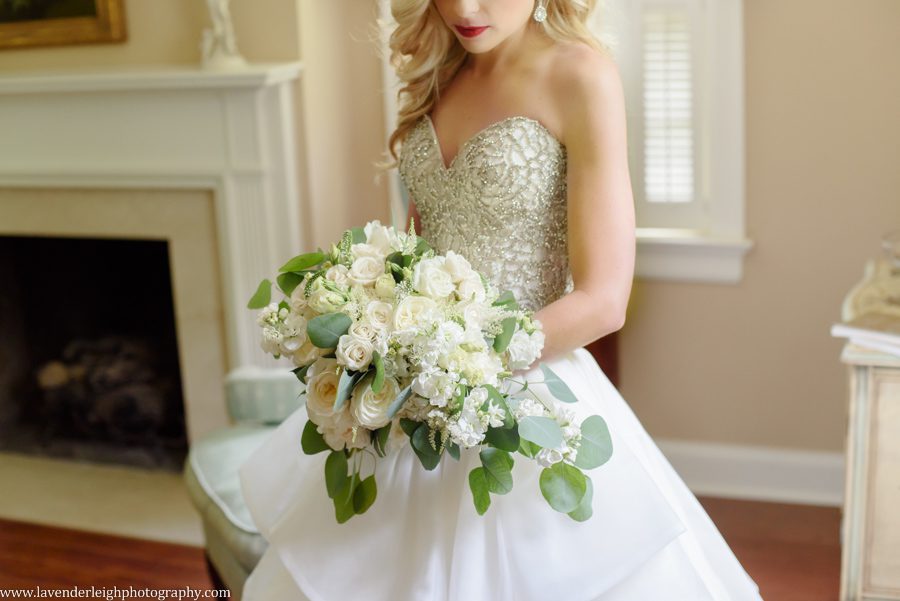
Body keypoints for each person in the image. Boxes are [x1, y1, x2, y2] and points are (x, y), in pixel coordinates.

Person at [240, 1, 764, 599]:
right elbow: (418, 249)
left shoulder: (580, 75)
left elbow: (603, 299)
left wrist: (462, 361)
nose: (465, 7)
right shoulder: (438, 70)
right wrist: (378, 324)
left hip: (520, 383)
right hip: (414, 392)